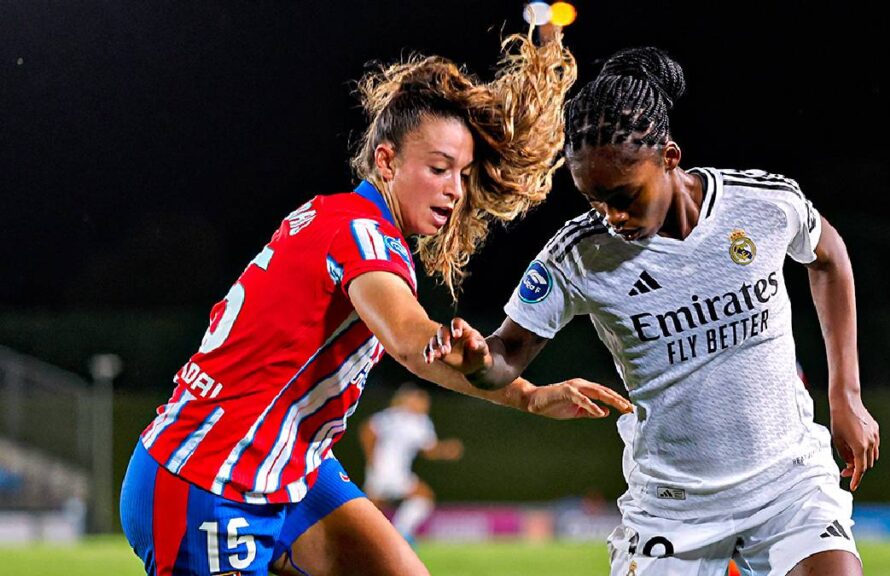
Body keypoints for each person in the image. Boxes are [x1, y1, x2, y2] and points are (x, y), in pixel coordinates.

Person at [119, 29, 633, 576]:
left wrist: (528, 395)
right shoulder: (364, 234)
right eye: (437, 169)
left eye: (460, 173)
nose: (455, 189)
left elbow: (420, 352)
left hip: (290, 467)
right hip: (207, 477)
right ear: (386, 162)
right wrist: (449, 347)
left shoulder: (336, 216)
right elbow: (412, 341)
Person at [426, 46, 880, 576]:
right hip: (673, 509)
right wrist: (478, 359)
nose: (612, 216)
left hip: (788, 484)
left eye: (624, 195)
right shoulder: (579, 253)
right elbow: (508, 355)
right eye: (595, 200)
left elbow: (829, 257)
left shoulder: (761, 203)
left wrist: (845, 394)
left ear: (669, 156)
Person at [358, 384, 463, 543]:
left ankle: (364, 540)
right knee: (423, 495)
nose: (425, 404)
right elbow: (430, 451)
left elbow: (367, 430)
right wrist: (447, 450)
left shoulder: (397, 416)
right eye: (422, 400)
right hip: (392, 473)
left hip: (380, 471)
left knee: (373, 508)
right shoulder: (413, 420)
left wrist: (371, 460)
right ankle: (400, 536)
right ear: (410, 400)